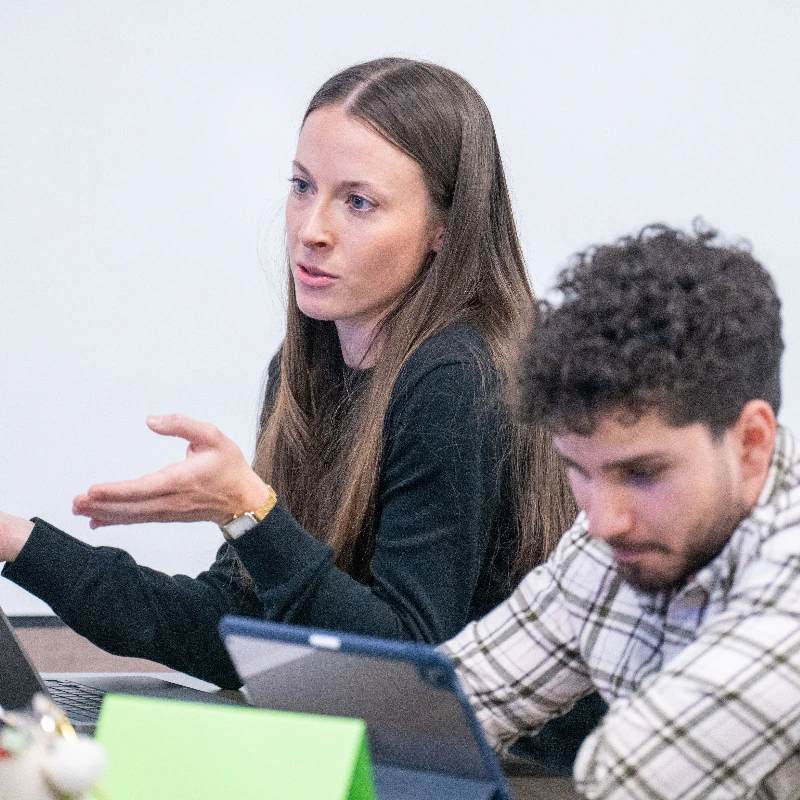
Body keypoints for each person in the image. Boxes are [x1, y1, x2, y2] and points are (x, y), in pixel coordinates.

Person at [0, 58, 577, 691]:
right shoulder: (305, 365)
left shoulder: (458, 377)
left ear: (445, 227)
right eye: (302, 186)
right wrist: (18, 543)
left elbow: (405, 671)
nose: (311, 229)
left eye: (357, 202)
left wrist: (249, 513)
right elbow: (235, 637)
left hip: (529, 776)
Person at [442, 222, 800, 798]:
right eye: (579, 471)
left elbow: (627, 777)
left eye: (643, 474)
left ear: (751, 443)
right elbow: (439, 707)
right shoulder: (609, 541)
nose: (605, 521)